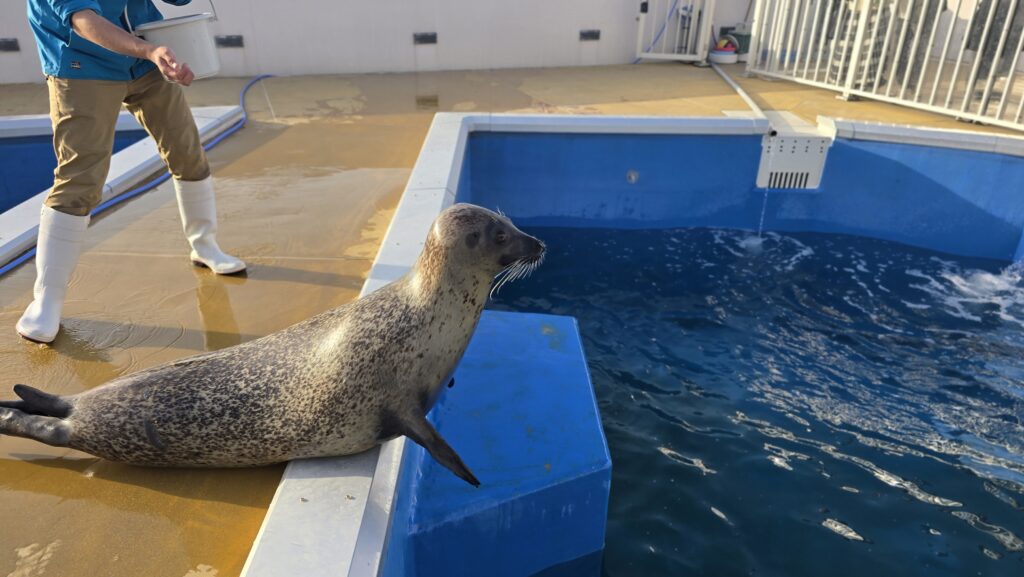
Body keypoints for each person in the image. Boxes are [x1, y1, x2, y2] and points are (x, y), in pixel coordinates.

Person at [18, 0, 245, 344]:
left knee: (187, 152)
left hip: (144, 60)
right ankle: (46, 300)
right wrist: (150, 50)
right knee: (80, 178)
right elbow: (84, 20)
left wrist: (151, 51)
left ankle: (205, 246)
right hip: (82, 63)